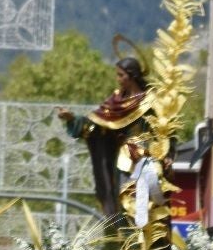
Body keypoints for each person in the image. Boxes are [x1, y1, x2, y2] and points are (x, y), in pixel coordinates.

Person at [56, 58, 150, 218]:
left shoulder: (149, 101)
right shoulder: (115, 101)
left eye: (121, 75)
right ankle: (120, 227)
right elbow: (95, 125)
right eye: (117, 75)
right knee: (121, 198)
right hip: (121, 159)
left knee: (141, 201)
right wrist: (72, 119)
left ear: (132, 76)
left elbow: (164, 129)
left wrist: (166, 153)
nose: (118, 79)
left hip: (145, 158)